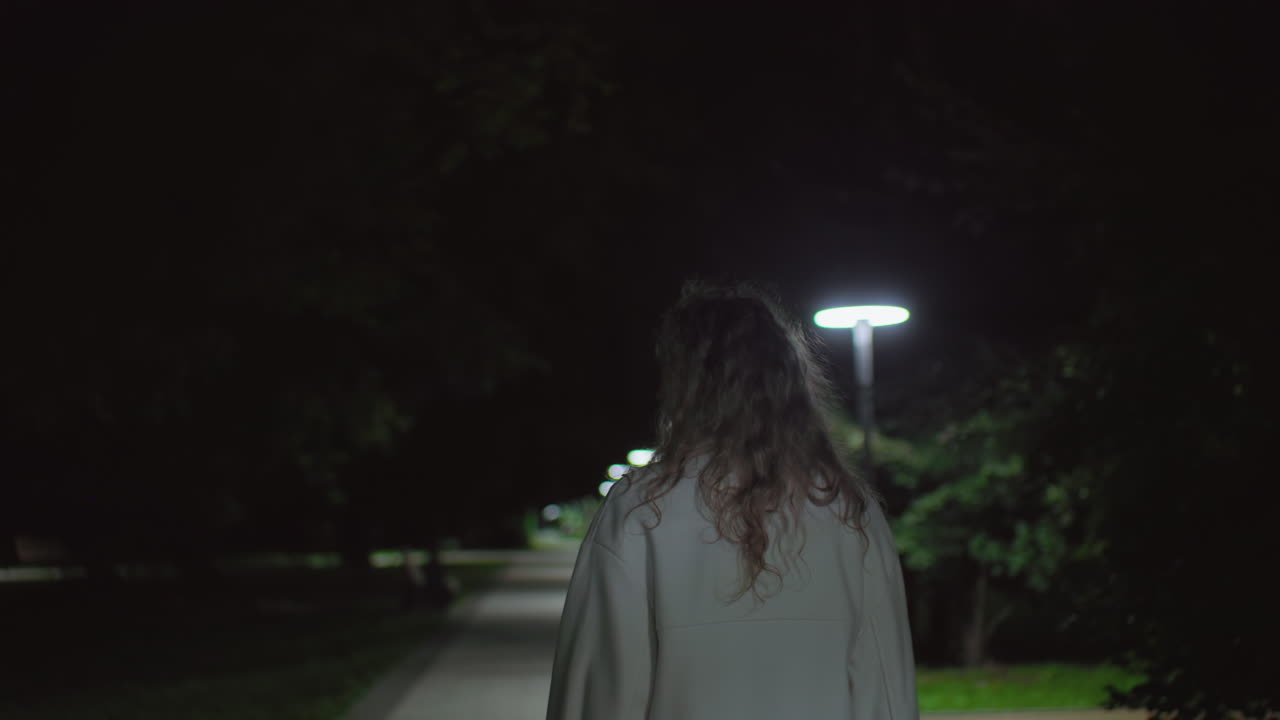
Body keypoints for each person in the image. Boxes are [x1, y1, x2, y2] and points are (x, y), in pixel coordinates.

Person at [546, 281, 919, 720]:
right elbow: (885, 691)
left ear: (685, 385)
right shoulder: (850, 512)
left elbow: (600, 689)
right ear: (791, 381)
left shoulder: (641, 510)